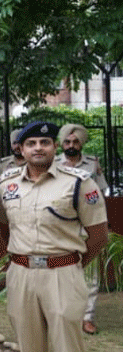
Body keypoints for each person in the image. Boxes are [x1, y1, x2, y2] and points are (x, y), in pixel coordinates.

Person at [0, 121, 107, 352]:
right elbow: (1, 227)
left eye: (45, 142)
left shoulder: (78, 183)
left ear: (54, 147)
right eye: (32, 143)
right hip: (22, 274)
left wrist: (69, 262)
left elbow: (98, 235)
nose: (39, 148)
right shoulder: (7, 186)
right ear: (21, 149)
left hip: (62, 273)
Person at [55, 123, 107, 336]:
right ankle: (63, 316)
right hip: (61, 224)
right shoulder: (53, 163)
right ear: (61, 143)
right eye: (67, 141)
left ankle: (87, 318)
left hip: (86, 223)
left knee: (89, 273)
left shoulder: (92, 164)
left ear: (81, 143)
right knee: (59, 271)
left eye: (75, 141)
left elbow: (101, 191)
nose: (71, 145)